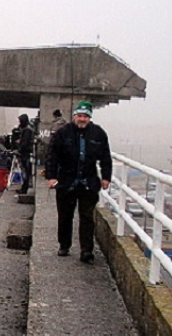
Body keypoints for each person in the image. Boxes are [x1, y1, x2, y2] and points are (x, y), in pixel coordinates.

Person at [46, 101, 112, 264]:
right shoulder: (62, 133)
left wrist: (106, 177)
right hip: (66, 181)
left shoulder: (99, 134)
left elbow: (106, 157)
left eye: (85, 116)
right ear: (74, 116)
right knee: (65, 216)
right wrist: (52, 176)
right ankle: (64, 245)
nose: (82, 119)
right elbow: (52, 156)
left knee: (87, 217)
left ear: (89, 117)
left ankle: (86, 251)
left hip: (88, 182)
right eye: (80, 116)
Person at [15, 114, 35, 194]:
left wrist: (19, 150)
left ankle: (24, 189)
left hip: (24, 154)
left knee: (25, 172)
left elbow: (25, 143)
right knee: (25, 172)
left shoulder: (27, 130)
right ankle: (24, 187)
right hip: (26, 153)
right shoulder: (28, 129)